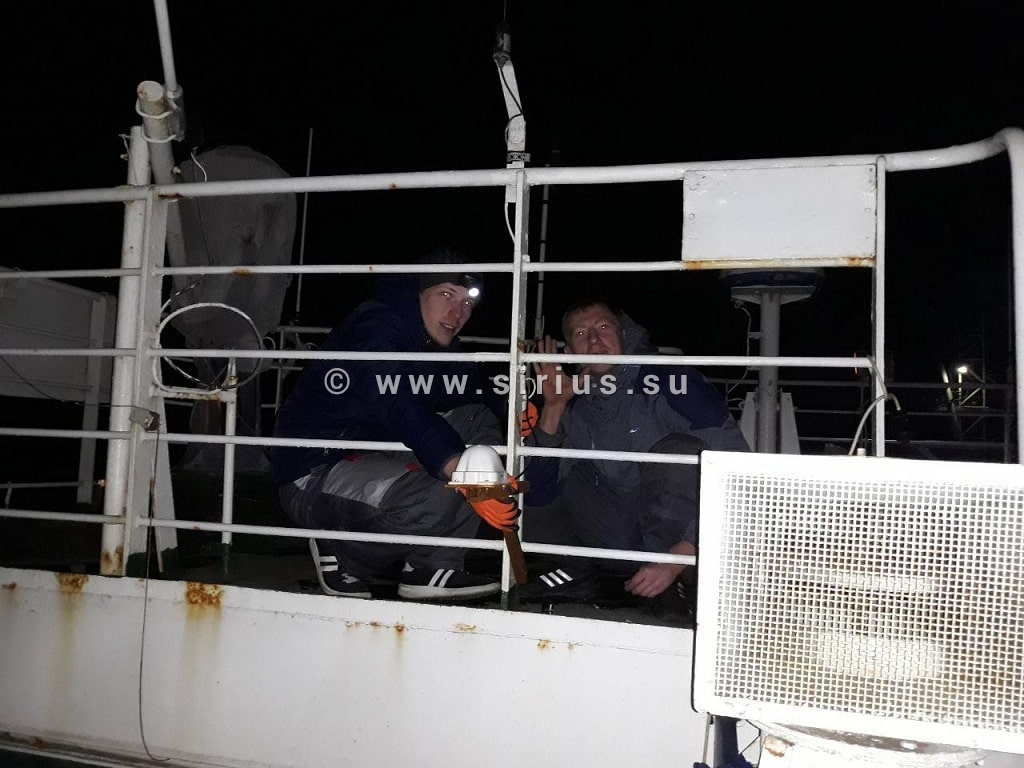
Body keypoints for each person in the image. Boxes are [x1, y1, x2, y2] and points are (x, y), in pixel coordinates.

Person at [270, 246, 507, 601]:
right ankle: (341, 552)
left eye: (467, 303)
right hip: (314, 468)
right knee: (441, 491)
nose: (457, 313)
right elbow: (398, 403)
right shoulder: (377, 327)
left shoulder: (432, 338)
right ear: (419, 290)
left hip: (373, 450)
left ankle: (431, 567)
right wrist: (454, 464)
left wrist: (521, 414)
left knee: (477, 419)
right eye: (446, 295)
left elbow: (476, 389)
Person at [521, 298, 750, 614]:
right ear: (570, 350)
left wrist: (681, 555)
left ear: (623, 334)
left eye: (603, 327)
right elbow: (536, 498)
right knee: (532, 482)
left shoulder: (671, 379)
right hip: (621, 540)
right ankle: (580, 572)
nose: (594, 341)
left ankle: (677, 587)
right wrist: (554, 408)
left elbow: (739, 468)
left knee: (679, 454)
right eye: (581, 334)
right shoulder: (572, 400)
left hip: (688, 547)